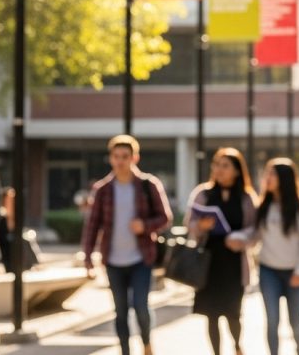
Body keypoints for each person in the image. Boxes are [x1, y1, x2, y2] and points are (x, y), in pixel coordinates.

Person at [81, 135, 172, 355]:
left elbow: (165, 217)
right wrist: (87, 259)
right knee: (120, 311)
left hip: (142, 258)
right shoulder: (103, 190)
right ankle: (124, 351)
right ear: (111, 159)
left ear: (135, 158)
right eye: (116, 156)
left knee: (141, 306)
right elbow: (92, 226)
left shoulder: (148, 185)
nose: (120, 161)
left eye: (125, 156)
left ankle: (147, 343)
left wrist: (145, 225)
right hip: (113, 260)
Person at [186, 147, 258, 355]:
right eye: (216, 164)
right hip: (209, 262)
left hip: (234, 263)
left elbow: (255, 229)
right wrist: (201, 226)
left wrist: (242, 238)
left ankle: (237, 346)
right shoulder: (203, 194)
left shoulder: (246, 197)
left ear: (237, 170)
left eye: (225, 166)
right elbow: (190, 223)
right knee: (211, 314)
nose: (219, 169)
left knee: (234, 313)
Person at [248, 158, 299, 355]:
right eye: (266, 174)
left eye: (272, 174)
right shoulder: (263, 205)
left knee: (296, 322)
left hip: (295, 273)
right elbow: (254, 235)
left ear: (284, 178)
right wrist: (238, 238)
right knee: (271, 320)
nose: (267, 178)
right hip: (269, 271)